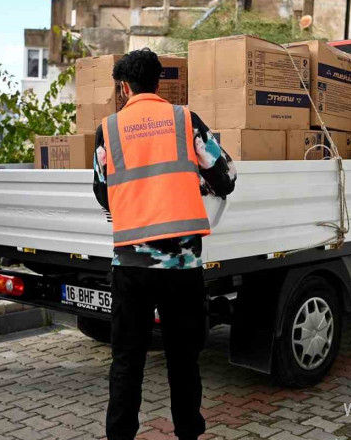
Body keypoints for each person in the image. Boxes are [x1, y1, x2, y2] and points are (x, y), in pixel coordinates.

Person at [93, 49, 237, 440]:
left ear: (124, 88)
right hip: (182, 268)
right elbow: (225, 177)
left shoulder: (108, 129)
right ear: (159, 84)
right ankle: (188, 432)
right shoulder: (184, 120)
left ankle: (120, 436)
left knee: (126, 360)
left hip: (130, 265)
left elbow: (103, 193)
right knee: (183, 360)